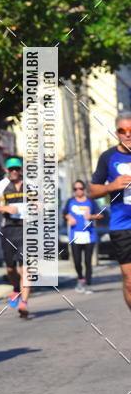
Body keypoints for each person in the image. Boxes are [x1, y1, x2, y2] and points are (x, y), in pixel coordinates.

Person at [89, 112, 131, 310]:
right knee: (129, 281)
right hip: (121, 225)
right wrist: (111, 186)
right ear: (117, 133)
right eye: (123, 131)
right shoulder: (108, 157)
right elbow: (92, 191)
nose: (128, 134)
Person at [0, 156, 31, 318]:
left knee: (25, 269)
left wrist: (39, 206)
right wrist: (4, 209)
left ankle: (24, 303)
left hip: (27, 229)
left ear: (21, 170)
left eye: (17, 169)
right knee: (10, 269)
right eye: (11, 169)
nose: (14, 172)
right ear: (7, 170)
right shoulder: (0, 187)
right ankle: (16, 288)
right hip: (8, 230)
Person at [63, 180, 102, 293]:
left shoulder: (90, 201)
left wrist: (91, 216)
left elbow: (101, 214)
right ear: (73, 190)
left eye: (80, 188)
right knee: (77, 261)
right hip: (75, 236)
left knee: (88, 261)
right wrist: (69, 218)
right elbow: (64, 213)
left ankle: (88, 284)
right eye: (76, 189)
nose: (78, 191)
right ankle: (80, 278)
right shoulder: (70, 201)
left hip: (89, 236)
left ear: (84, 189)